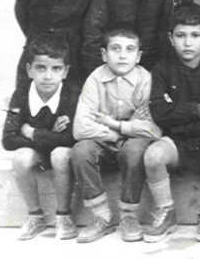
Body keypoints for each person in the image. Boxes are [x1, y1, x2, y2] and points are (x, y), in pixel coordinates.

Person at [142, 4, 200, 242]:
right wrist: (197, 110)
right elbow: (160, 113)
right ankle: (166, 211)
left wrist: (180, 117)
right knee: (153, 156)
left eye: (195, 35)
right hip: (176, 141)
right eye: (180, 35)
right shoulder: (162, 70)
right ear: (171, 39)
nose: (188, 43)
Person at [70, 26, 162, 243]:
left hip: (132, 141)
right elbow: (80, 128)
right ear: (104, 54)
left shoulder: (145, 79)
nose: (122, 55)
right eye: (115, 49)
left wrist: (118, 127)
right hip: (103, 140)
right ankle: (101, 216)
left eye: (130, 49)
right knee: (81, 151)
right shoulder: (95, 79)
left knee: (134, 150)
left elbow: (154, 129)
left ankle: (129, 216)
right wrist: (115, 134)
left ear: (138, 56)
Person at [2, 34, 79, 241]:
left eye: (56, 69)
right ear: (29, 70)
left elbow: (71, 139)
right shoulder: (21, 94)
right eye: (41, 68)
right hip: (37, 152)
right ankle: (35, 216)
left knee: (60, 154)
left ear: (66, 71)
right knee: (21, 158)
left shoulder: (71, 94)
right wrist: (52, 134)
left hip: (59, 153)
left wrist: (32, 132)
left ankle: (63, 216)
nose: (48, 76)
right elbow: (8, 140)